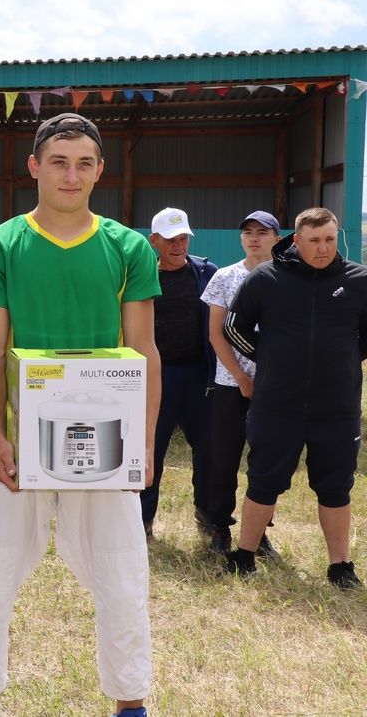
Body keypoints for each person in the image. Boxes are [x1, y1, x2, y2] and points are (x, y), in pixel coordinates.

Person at [0, 112, 161, 717]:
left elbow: (144, 350)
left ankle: (130, 699)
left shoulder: (129, 247)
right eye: (58, 162)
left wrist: (144, 444)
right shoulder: (0, 245)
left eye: (82, 163)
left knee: (123, 572)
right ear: (34, 167)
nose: (70, 175)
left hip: (108, 441)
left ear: (100, 170)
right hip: (21, 442)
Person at [223, 207, 366, 589]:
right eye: (314, 240)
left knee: (336, 487)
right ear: (296, 241)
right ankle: (244, 556)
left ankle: (340, 566)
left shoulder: (358, 280)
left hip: (337, 410)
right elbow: (233, 326)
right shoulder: (266, 278)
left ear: (337, 238)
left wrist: (348, 357)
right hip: (276, 405)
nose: (323, 248)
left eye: (330, 240)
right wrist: (268, 358)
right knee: (263, 482)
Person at [199, 210, 282, 556]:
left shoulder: (286, 277)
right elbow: (216, 335)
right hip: (230, 384)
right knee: (224, 458)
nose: (254, 238)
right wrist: (240, 377)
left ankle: (258, 532)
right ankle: (220, 527)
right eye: (248, 232)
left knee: (266, 461)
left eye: (263, 232)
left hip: (274, 385)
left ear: (277, 238)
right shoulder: (224, 276)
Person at [141, 207, 216, 540]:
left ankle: (210, 519)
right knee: (149, 449)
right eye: (171, 239)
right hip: (157, 377)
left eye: (184, 238)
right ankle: (142, 523)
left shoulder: (206, 272)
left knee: (209, 450)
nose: (178, 245)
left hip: (199, 375)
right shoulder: (142, 276)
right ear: (154, 240)